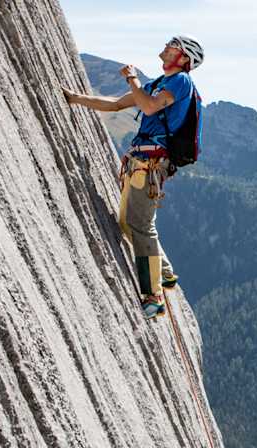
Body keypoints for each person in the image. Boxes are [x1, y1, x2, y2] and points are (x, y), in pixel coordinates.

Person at [63, 35, 204, 319]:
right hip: (143, 161)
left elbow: (150, 107)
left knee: (138, 224)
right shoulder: (156, 85)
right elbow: (116, 105)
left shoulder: (180, 82)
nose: (166, 47)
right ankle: (164, 274)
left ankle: (152, 295)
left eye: (173, 46)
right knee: (130, 224)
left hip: (151, 162)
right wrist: (76, 99)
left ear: (184, 58)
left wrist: (132, 79)